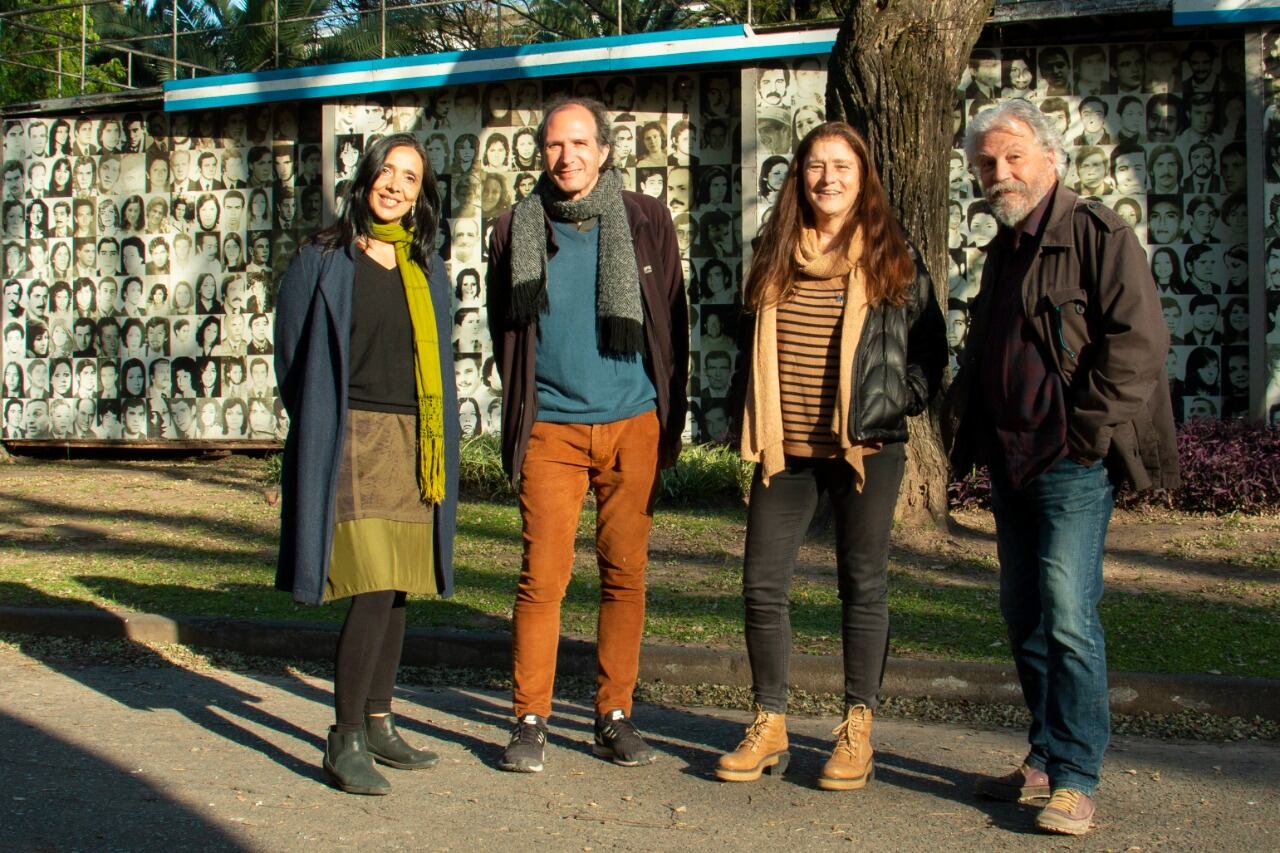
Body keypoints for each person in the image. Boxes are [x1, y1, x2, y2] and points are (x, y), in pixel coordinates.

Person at [949, 98, 1178, 836]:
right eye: (987, 163)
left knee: (1070, 616)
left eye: (1013, 156)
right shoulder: (1004, 248)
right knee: (1025, 615)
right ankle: (1045, 758)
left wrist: (1085, 432)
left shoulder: (1096, 233)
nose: (1000, 172)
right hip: (1011, 461)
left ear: (1051, 158)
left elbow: (1139, 342)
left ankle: (1077, 777)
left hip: (1071, 461)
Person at [715, 120, 944, 789]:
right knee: (762, 584)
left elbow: (931, 348)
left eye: (842, 166)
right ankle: (769, 723)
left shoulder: (894, 252)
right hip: (784, 447)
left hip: (865, 448)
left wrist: (897, 400)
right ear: (799, 175)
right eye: (816, 165)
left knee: (862, 583)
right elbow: (746, 341)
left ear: (862, 175)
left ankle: (856, 729)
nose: (828, 178)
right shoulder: (773, 250)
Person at [485, 96, 688, 774]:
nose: (566, 156)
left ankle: (614, 714)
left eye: (579, 143)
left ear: (604, 150)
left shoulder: (646, 219)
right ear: (540, 152)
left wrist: (667, 418)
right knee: (542, 577)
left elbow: (673, 321)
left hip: (633, 421)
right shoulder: (513, 228)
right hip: (552, 428)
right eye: (553, 145)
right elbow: (508, 335)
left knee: (624, 574)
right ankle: (529, 719)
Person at [274, 132, 459, 796]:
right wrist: (322, 422)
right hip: (353, 437)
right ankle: (344, 736)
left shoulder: (426, 267)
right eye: (388, 170)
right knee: (373, 582)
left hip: (416, 440)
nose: (396, 185)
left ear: (421, 194)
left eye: (411, 177)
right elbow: (292, 356)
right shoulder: (323, 258)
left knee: (399, 584)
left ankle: (380, 721)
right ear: (366, 176)